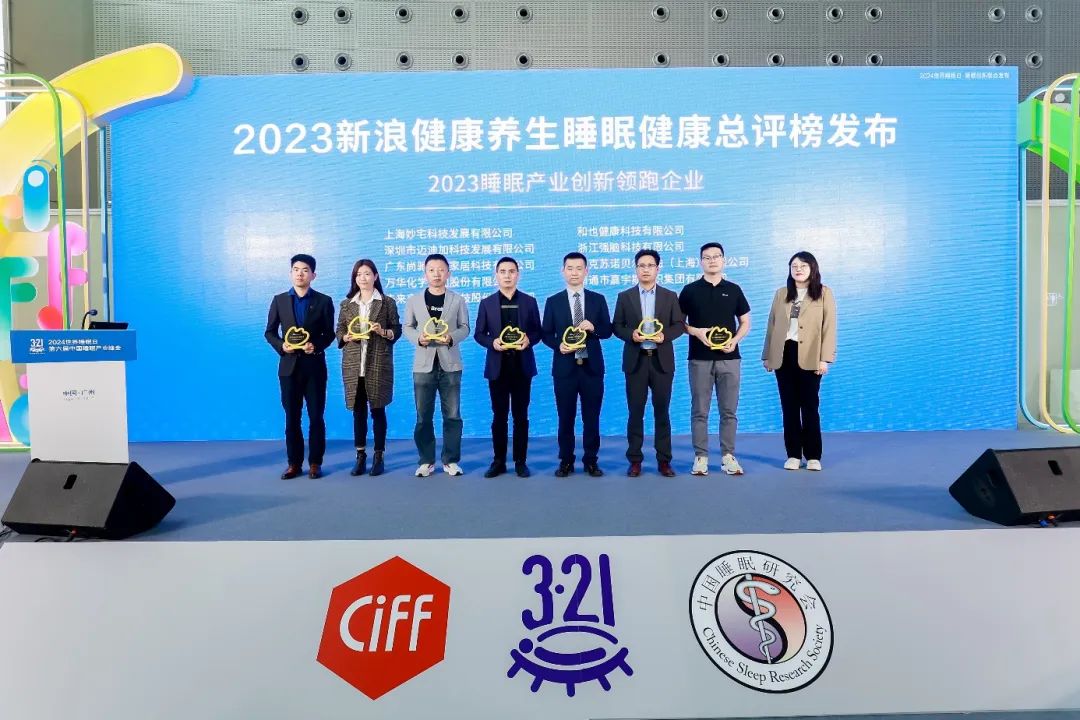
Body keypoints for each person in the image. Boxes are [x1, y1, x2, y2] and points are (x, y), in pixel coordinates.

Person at [679, 242, 751, 476]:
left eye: (716, 256)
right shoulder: (690, 290)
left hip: (730, 358)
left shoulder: (734, 289)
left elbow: (745, 322)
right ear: (701, 261)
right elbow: (679, 323)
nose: (712, 260)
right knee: (700, 410)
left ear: (723, 260)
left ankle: (728, 456)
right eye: (707, 257)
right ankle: (700, 457)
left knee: (728, 411)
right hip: (699, 359)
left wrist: (735, 340)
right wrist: (697, 332)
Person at [612, 248, 685, 477]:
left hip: (662, 362)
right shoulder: (625, 296)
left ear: (658, 268)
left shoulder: (670, 296)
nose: (646, 270)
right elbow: (617, 326)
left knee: (662, 412)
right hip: (636, 361)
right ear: (636, 269)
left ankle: (664, 460)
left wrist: (665, 336)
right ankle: (635, 460)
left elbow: (678, 325)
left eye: (650, 265)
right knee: (635, 412)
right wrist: (631, 335)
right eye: (641, 266)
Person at [762, 251, 836, 471]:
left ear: (813, 268)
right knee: (789, 406)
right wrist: (767, 355)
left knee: (810, 406)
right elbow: (771, 325)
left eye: (803, 265)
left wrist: (825, 359)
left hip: (811, 355)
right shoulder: (781, 293)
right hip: (783, 354)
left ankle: (813, 455)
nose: (798, 269)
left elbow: (829, 327)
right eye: (794, 266)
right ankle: (793, 454)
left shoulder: (823, 293)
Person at [541, 252, 613, 477]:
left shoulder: (597, 299)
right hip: (565, 368)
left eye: (579, 268)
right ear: (563, 271)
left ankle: (591, 460)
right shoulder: (553, 301)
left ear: (586, 271)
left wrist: (594, 328)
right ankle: (566, 460)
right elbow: (545, 333)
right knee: (565, 417)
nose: (574, 273)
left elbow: (608, 330)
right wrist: (558, 346)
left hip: (592, 368)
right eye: (570, 268)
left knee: (592, 417)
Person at [264, 253, 335, 479]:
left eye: (305, 270)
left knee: (316, 417)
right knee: (292, 418)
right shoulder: (279, 300)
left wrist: (316, 346)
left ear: (313, 275)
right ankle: (294, 464)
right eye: (296, 269)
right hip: (289, 369)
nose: (300, 274)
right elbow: (269, 332)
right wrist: (281, 346)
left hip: (314, 368)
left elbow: (330, 334)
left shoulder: (324, 301)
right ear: (290, 273)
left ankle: (315, 463)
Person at [402, 253, 471, 477]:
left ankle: (450, 460)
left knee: (452, 415)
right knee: (423, 416)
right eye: (431, 270)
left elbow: (465, 327)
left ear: (448, 273)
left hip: (450, 363)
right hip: (423, 364)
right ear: (425, 274)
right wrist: (418, 338)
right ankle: (426, 460)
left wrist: (451, 338)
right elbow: (407, 327)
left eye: (441, 270)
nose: (436, 274)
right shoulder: (414, 300)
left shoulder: (457, 300)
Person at [474, 257, 543, 478]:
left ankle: (521, 461)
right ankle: (499, 461)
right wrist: (492, 342)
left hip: (522, 367)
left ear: (518, 275)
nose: (507, 275)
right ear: (496, 275)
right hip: (498, 368)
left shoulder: (529, 302)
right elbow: (479, 334)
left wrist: (529, 340)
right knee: (499, 417)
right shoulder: (487, 303)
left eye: (511, 271)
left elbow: (538, 331)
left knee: (521, 416)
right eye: (502, 271)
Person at [336, 259, 401, 477]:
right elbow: (339, 330)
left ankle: (379, 456)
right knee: (358, 412)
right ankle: (360, 455)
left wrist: (383, 331)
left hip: (378, 363)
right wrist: (346, 337)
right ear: (354, 278)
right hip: (354, 365)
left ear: (375, 276)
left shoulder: (387, 302)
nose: (363, 278)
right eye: (358, 275)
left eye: (367, 274)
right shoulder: (347, 304)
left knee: (378, 410)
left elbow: (397, 330)